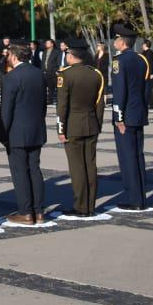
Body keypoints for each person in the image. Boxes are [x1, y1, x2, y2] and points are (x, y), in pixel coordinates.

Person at [0, 41, 48, 225]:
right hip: (36, 129)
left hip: (17, 131)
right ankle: (39, 210)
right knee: (34, 169)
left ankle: (26, 211)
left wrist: (3, 133)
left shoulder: (12, 77)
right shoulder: (38, 74)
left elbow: (7, 109)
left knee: (20, 171)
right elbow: (43, 104)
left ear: (14, 56)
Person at [56, 40, 105, 217]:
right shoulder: (96, 74)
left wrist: (60, 129)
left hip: (72, 127)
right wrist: (97, 124)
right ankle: (90, 206)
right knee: (90, 166)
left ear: (71, 55)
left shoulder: (65, 75)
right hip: (91, 124)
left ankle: (80, 206)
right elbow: (100, 103)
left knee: (77, 168)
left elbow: (62, 106)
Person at [111, 24, 149, 210]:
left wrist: (119, 118)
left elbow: (119, 92)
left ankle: (134, 200)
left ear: (122, 42)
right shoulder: (140, 60)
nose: (114, 42)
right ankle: (140, 197)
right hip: (138, 113)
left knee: (127, 158)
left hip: (126, 116)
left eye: (116, 38)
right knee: (137, 156)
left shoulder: (119, 61)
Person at [41, 38, 60, 104]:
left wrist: (57, 70)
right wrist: (43, 70)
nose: (46, 44)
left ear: (52, 44)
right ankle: (50, 100)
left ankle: (59, 100)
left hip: (54, 72)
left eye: (48, 43)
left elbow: (58, 62)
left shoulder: (56, 52)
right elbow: (43, 61)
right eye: (46, 43)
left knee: (57, 87)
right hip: (46, 72)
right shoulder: (44, 51)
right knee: (50, 87)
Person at [139, 38, 153, 110]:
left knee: (148, 89)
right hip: (143, 74)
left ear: (146, 45)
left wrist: (152, 73)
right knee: (144, 89)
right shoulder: (143, 52)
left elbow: (152, 64)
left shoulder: (150, 53)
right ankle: (146, 103)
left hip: (149, 74)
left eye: (143, 44)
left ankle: (150, 104)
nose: (142, 45)